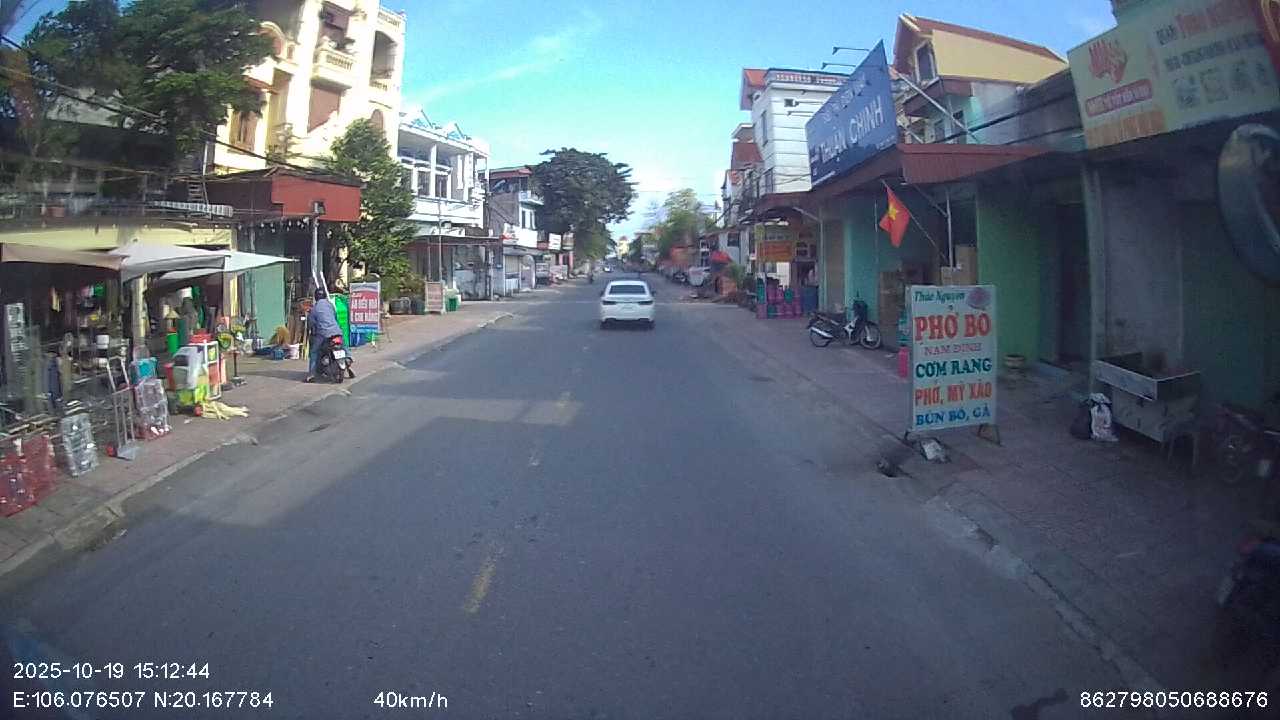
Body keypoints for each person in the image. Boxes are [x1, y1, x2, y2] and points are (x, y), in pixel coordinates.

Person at [304, 288, 341, 383]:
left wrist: (312, 330)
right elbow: (335, 317)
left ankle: (311, 375)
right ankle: (348, 360)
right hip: (337, 331)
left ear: (316, 297)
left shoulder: (315, 308)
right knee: (344, 347)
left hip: (323, 334)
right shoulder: (330, 305)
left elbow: (311, 323)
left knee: (314, 352)